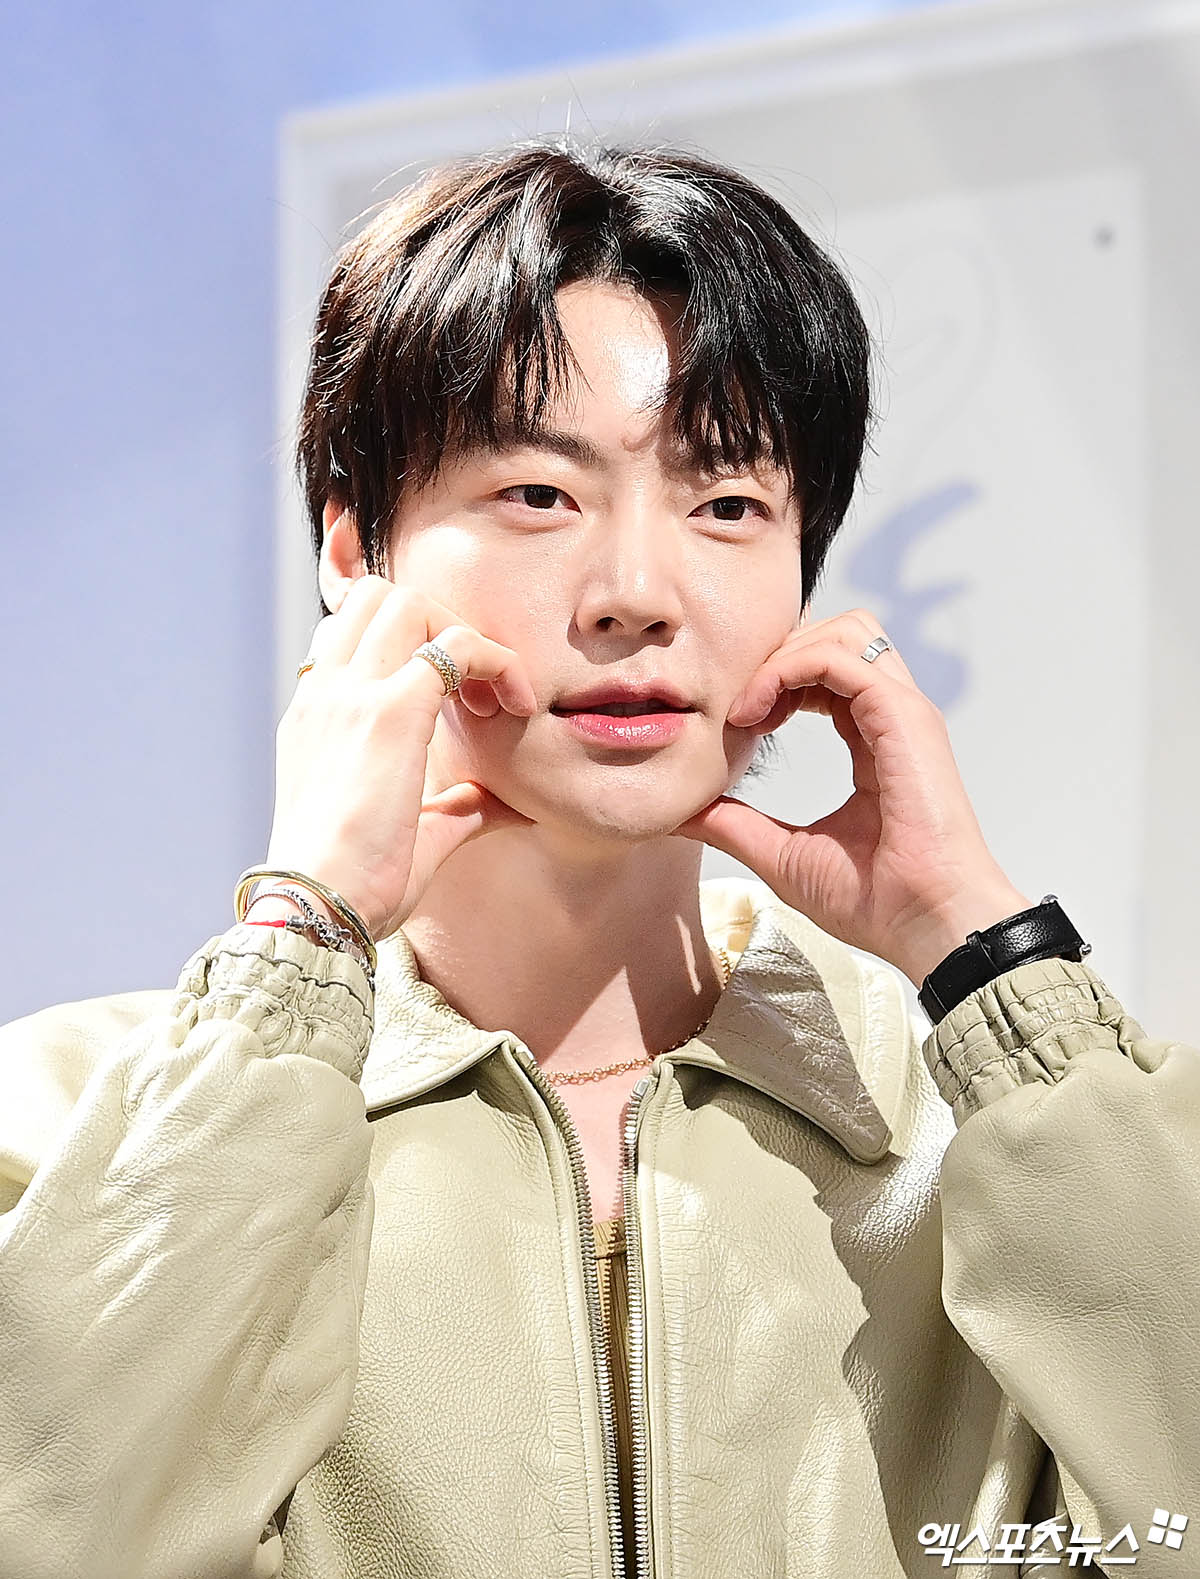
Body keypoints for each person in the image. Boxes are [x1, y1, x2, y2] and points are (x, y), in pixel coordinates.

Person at [0, 141, 1196, 1579]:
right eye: (539, 494)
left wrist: (984, 951)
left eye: (728, 506)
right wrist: (296, 950)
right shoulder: (67, 1122)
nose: (637, 593)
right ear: (355, 550)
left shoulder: (1007, 1135)